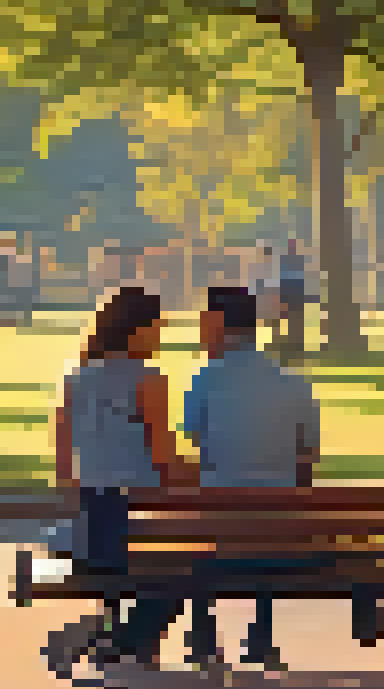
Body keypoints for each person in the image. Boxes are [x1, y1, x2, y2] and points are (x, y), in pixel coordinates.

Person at [157, 285, 323, 669]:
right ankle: (261, 635)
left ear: (217, 324)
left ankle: (202, 632)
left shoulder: (205, 379)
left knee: (197, 531)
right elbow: (308, 455)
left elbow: (196, 439)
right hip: (279, 523)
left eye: (204, 322)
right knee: (269, 516)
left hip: (217, 519)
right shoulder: (293, 381)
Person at [53, 286, 197, 665]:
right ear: (136, 330)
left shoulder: (75, 377)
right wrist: (203, 472)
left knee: (141, 558)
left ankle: (117, 633)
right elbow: (164, 456)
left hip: (88, 525)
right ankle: (130, 639)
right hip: (133, 518)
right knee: (187, 562)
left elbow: (64, 462)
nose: (161, 337)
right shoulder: (148, 378)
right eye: (157, 328)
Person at [278, 239, 308, 358]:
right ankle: (294, 346)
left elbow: (299, 279)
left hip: (295, 295)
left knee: (296, 321)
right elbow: (284, 279)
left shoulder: (296, 261)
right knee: (292, 321)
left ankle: (297, 346)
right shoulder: (288, 261)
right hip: (292, 295)